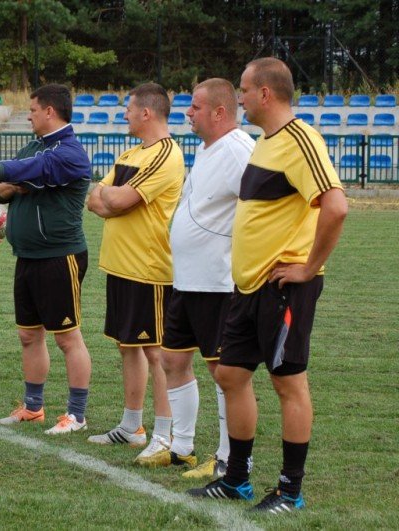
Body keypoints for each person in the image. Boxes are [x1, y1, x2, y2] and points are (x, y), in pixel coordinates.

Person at [188, 57, 347, 514]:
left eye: (243, 89)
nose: (238, 97)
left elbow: (335, 206)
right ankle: (236, 479)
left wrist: (308, 268)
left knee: (287, 383)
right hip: (249, 287)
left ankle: (290, 490)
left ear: (265, 93)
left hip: (283, 288)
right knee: (231, 375)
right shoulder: (265, 142)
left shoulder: (301, 139)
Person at [0, 84, 93, 435]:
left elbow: (26, 171)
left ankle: (77, 414)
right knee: (28, 335)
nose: (29, 116)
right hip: (28, 256)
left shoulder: (70, 152)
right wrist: (12, 181)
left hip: (59, 256)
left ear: (50, 111)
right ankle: (33, 408)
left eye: (33, 110)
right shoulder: (34, 146)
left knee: (67, 337)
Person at [158, 79, 254, 477]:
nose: (188, 112)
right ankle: (181, 448)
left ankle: (228, 457)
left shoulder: (238, 150)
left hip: (217, 281)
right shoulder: (207, 147)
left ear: (219, 112)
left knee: (224, 370)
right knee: (172, 359)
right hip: (187, 279)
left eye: (195, 107)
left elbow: (262, 204)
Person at [86, 83, 184, 463]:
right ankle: (131, 427)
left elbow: (118, 197)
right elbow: (95, 199)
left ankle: (164, 433)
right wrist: (113, 199)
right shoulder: (130, 153)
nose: (124, 114)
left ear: (146, 112)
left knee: (155, 352)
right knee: (127, 345)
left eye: (129, 108)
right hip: (119, 265)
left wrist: (113, 198)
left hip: (148, 268)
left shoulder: (166, 154)